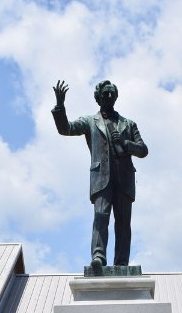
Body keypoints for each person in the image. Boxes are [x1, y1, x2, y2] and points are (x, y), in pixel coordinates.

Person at [52, 79, 148, 273]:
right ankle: (98, 256)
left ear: (116, 97)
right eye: (105, 94)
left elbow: (143, 150)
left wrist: (126, 143)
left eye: (112, 93)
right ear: (98, 98)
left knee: (123, 222)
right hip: (101, 178)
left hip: (124, 179)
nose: (109, 97)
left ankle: (122, 263)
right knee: (100, 217)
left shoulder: (128, 124)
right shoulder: (90, 121)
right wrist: (60, 106)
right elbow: (66, 129)